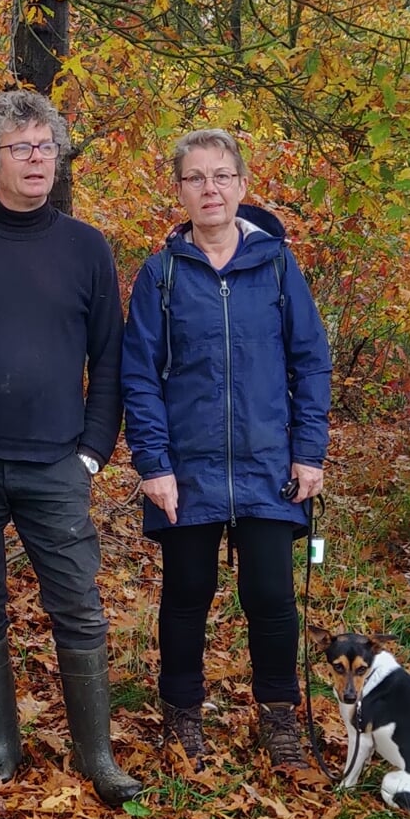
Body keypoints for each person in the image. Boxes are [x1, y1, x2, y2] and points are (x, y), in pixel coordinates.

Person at [0, 90, 140, 806]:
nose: (37, 159)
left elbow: (109, 358)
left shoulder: (85, 247)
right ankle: (0, 748)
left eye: (46, 146)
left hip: (55, 460)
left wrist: (91, 451)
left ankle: (95, 753)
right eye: (21, 148)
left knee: (77, 606)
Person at [119, 128, 332, 771]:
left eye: (221, 176)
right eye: (195, 178)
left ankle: (279, 720)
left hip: (270, 463)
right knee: (186, 594)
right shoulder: (160, 275)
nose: (209, 188)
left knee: (271, 597)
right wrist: (154, 464)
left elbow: (310, 360)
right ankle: (182, 719)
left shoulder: (275, 264)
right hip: (189, 469)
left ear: (241, 185)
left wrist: (309, 451)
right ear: (179, 189)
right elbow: (139, 374)